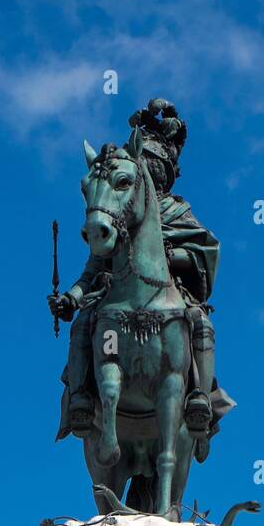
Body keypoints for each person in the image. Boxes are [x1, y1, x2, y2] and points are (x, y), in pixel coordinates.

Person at [50, 98, 230, 450]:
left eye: (154, 164)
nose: (148, 168)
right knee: (85, 321)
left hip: (170, 294)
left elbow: (204, 253)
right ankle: (82, 397)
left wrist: (169, 256)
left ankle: (198, 399)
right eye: (143, 162)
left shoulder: (177, 210)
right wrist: (70, 297)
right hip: (114, 293)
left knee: (201, 324)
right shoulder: (119, 212)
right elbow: (92, 268)